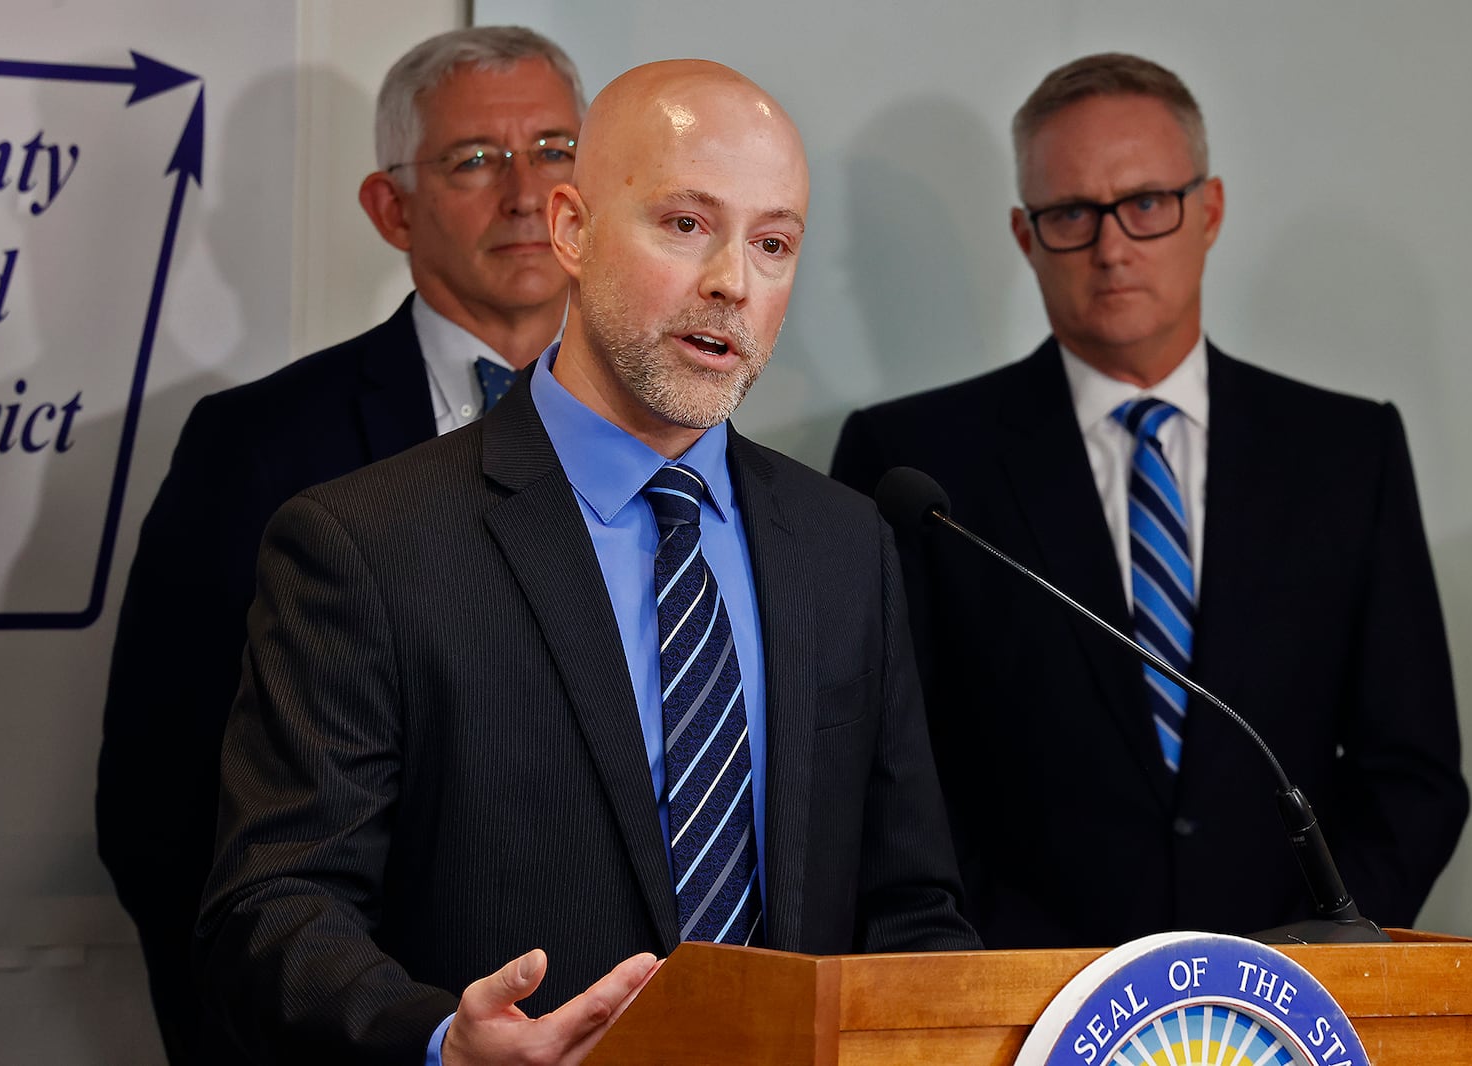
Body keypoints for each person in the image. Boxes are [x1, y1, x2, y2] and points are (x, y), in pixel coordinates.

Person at [197, 58, 978, 1065]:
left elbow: (910, 904)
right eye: (686, 225)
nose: (731, 282)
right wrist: (439, 1039)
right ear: (570, 227)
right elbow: (271, 911)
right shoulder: (366, 544)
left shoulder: (843, 543)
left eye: (772, 243)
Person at [831, 52, 1468, 949]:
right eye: (1071, 215)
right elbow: (886, 774)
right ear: (1024, 234)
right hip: (1021, 1001)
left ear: (1207, 212)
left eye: (1145, 204)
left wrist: (1319, 956)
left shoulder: (1346, 452)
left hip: (1290, 1007)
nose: (1112, 245)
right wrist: (1002, 967)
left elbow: (1414, 771)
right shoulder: (913, 464)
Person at [95, 26, 587, 1064]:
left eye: (555, 150)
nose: (525, 194)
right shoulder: (259, 447)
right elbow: (161, 805)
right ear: (390, 207)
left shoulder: (676, 441)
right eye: (474, 160)